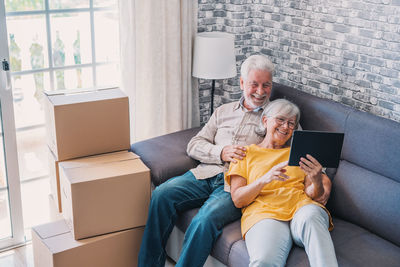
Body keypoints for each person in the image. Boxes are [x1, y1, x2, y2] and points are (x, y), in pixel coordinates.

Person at [138, 55, 332, 267]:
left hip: (238, 184)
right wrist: (221, 152)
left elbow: (297, 151)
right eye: (254, 84)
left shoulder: (278, 117)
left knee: (205, 219)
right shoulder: (223, 112)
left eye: (266, 85)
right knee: (161, 195)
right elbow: (194, 144)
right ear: (242, 83)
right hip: (206, 173)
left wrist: (318, 181)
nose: (260, 91)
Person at [227, 99, 338, 267]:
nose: (286, 127)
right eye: (280, 120)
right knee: (264, 260)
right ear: (265, 121)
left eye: (291, 123)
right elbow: (238, 199)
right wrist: (265, 179)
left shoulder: (299, 153)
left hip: (301, 209)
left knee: (312, 216)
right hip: (264, 214)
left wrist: (316, 180)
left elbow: (314, 196)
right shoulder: (246, 153)